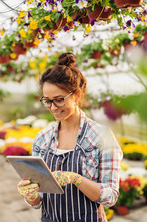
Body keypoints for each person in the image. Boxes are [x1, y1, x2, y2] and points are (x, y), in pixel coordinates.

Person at [17, 52, 123, 222]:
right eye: (47, 101)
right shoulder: (42, 139)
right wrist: (30, 194)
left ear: (77, 95)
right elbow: (39, 201)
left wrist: (76, 179)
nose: (53, 107)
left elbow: (110, 196)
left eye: (59, 100)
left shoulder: (100, 137)